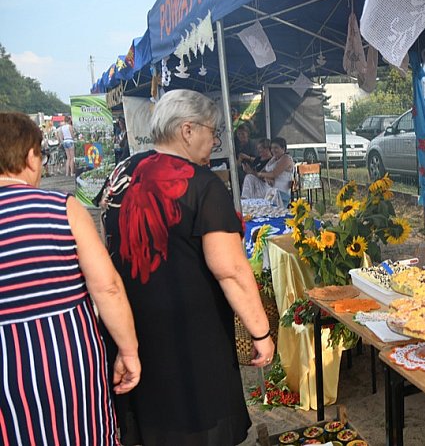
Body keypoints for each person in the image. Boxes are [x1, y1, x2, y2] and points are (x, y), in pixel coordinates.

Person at [99, 90, 275, 445]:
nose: (215, 140)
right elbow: (231, 270)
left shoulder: (122, 172)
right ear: (187, 130)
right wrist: (260, 332)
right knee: (197, 427)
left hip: (132, 330)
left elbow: (107, 244)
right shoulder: (202, 185)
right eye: (213, 131)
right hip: (190, 340)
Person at [0, 112, 141, 445]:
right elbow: (106, 287)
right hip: (64, 357)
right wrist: (129, 351)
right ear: (30, 157)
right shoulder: (62, 208)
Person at [241, 137, 295, 205]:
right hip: (268, 190)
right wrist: (265, 177)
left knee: (253, 177)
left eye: (276, 148)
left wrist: (261, 174)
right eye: (272, 148)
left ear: (283, 148)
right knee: (249, 177)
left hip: (279, 192)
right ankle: (244, 202)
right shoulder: (273, 159)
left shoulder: (286, 158)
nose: (273, 150)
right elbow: (263, 172)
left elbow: (274, 174)